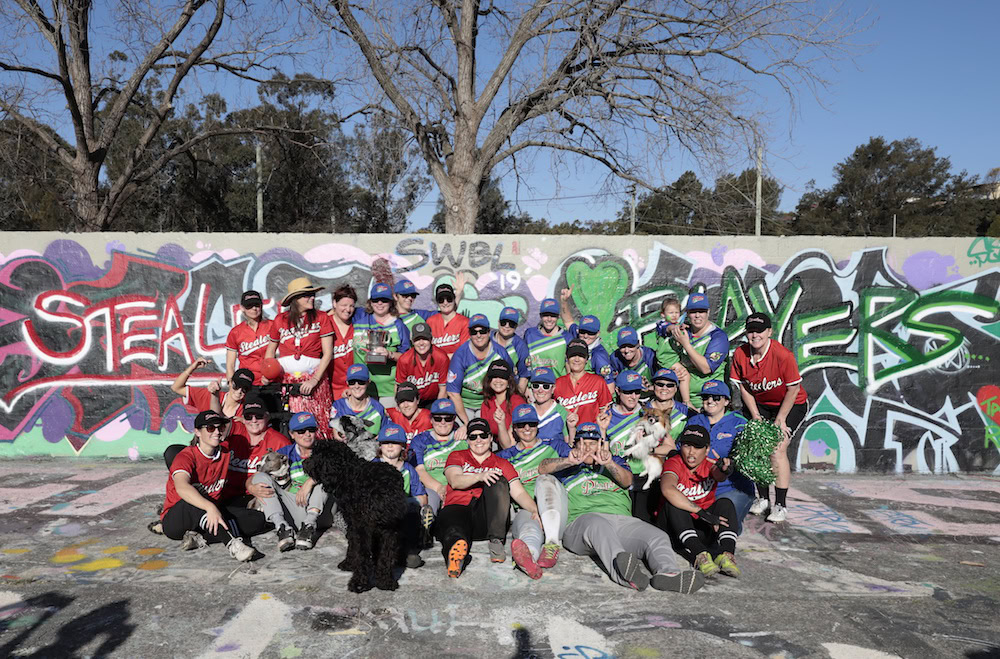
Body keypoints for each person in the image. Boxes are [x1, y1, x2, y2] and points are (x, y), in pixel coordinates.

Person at [535, 422, 704, 593]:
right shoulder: (568, 467)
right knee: (597, 524)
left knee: (657, 536)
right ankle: (623, 573)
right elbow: (542, 468)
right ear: (575, 443)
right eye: (583, 442)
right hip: (581, 525)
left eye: (592, 442)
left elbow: (628, 481)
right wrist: (568, 460)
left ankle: (668, 575)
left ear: (601, 443)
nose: (587, 447)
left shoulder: (615, 461)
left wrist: (608, 464)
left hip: (621, 522)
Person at [730, 312, 810, 523]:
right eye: (751, 331)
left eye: (760, 331)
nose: (755, 335)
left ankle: (781, 504)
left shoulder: (783, 355)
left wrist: (780, 420)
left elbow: (793, 389)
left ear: (769, 332)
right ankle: (763, 498)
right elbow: (743, 388)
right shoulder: (740, 354)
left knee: (777, 448)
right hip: (761, 405)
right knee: (756, 446)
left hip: (790, 404)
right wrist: (755, 415)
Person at [437, 418, 539, 577]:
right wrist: (480, 476)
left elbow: (518, 492)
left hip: (485, 519)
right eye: (473, 436)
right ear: (468, 440)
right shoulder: (457, 456)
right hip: (457, 508)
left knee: (498, 479)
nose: (478, 440)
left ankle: (496, 541)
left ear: (491, 438)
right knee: (453, 530)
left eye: (483, 435)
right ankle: (456, 556)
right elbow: (455, 481)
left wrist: (534, 510)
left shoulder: (501, 463)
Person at [160, 410, 266, 562]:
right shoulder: (186, 456)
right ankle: (233, 544)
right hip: (178, 518)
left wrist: (245, 421)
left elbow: (247, 433)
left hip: (211, 511)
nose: (216, 432)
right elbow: (182, 487)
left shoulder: (225, 452)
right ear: (197, 432)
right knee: (196, 495)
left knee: (257, 520)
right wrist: (210, 507)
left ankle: (199, 537)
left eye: (220, 427)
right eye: (210, 428)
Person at [497, 405, 573, 579]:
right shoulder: (505, 456)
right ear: (514, 428)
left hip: (555, 508)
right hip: (527, 509)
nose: (527, 429)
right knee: (528, 529)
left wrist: (573, 430)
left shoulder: (554, 445)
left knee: (544, 479)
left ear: (537, 425)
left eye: (531, 423)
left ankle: (552, 543)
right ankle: (529, 558)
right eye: (521, 424)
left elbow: (577, 458)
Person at [659, 425, 741, 578]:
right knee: (675, 503)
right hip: (674, 529)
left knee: (725, 503)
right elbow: (667, 489)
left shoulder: (709, 464)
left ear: (707, 449)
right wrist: (702, 513)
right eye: (687, 445)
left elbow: (718, 474)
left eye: (697, 447)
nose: (691, 452)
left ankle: (726, 554)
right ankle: (700, 555)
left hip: (699, 528)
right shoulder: (674, 462)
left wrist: (724, 470)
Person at [264, 277, 335, 437]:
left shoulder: (321, 317)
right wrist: (267, 374)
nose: (312, 298)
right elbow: (270, 352)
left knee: (315, 425)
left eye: (312, 295)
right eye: (306, 295)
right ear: (295, 299)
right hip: (286, 383)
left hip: (313, 381)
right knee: (288, 425)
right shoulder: (280, 320)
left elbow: (328, 353)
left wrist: (315, 380)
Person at [252, 411, 329, 552]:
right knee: (260, 478)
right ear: (292, 434)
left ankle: (309, 527)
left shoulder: (326, 450)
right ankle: (282, 528)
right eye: (301, 431)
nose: (307, 434)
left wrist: (310, 482)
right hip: (296, 508)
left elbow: (339, 472)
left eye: (311, 430)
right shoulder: (285, 453)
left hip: (321, 512)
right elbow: (256, 477)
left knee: (325, 480)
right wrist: (251, 488)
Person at [686, 380, 756, 535]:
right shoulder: (694, 421)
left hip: (731, 488)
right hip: (698, 487)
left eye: (716, 397)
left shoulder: (740, 423)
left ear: (727, 401)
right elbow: (681, 450)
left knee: (724, 529)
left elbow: (751, 459)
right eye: (706, 397)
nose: (710, 401)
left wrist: (730, 462)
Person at [373, 422, 428, 568]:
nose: (390, 446)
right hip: (379, 517)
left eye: (395, 442)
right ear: (380, 445)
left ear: (403, 446)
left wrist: (403, 502)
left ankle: (408, 550)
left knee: (413, 514)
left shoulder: (409, 470)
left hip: (402, 515)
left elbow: (422, 497)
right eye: (386, 442)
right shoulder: (372, 468)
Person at [445, 314, 513, 425]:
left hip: (489, 403)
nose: (478, 335)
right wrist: (467, 423)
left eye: (482, 331)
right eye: (474, 332)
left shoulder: (500, 352)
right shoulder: (461, 354)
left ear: (489, 331)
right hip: (464, 405)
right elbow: (453, 392)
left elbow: (510, 380)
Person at [352, 282, 411, 408]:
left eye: (384, 300)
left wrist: (389, 354)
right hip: (362, 389)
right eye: (376, 300)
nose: (379, 303)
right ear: (370, 302)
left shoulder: (399, 325)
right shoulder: (358, 323)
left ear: (390, 302)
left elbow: (408, 358)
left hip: (389, 390)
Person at [222, 397, 292, 503]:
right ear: (243, 419)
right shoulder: (235, 433)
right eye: (248, 417)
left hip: (260, 498)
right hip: (226, 495)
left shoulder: (279, 442)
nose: (254, 420)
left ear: (267, 417)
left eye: (259, 416)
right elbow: (215, 426)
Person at [667, 293, 730, 409]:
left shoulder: (718, 337)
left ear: (708, 312)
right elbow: (662, 329)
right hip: (683, 400)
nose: (697, 316)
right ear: (687, 313)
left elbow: (706, 368)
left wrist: (686, 344)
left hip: (710, 401)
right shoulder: (684, 331)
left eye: (701, 311)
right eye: (693, 311)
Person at [410, 399, 469, 516]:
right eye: (438, 418)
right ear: (431, 419)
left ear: (454, 419)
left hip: (458, 488)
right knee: (429, 504)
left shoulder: (463, 439)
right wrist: (440, 488)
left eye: (448, 418)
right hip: (431, 488)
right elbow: (419, 470)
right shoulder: (420, 440)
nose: (443, 422)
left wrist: (467, 426)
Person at [554, 338, 613, 423]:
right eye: (573, 355)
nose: (577, 359)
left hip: (591, 434)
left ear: (586, 359)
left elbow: (605, 411)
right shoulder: (557, 383)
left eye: (581, 356)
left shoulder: (598, 382)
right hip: (565, 434)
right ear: (567, 358)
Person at [172, 359, 251, 419]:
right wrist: (193, 367)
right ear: (230, 383)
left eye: (245, 389)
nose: (239, 391)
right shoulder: (208, 396)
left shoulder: (247, 412)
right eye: (236, 386)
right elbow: (176, 387)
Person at [395, 321, 449, 406]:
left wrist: (438, 410)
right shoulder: (404, 359)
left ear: (431, 340)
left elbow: (443, 388)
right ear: (412, 342)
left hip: (434, 399)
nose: (421, 343)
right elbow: (399, 386)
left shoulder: (441, 357)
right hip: (411, 400)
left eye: (425, 339)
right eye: (417, 339)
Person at [225, 290, 273, 385]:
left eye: (257, 305)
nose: (254, 308)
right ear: (242, 308)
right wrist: (231, 384)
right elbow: (230, 364)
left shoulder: (272, 326)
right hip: (248, 383)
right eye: (249, 306)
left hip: (272, 380)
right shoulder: (236, 332)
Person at [331, 363, 386, 436]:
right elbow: (335, 434)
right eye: (352, 382)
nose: (356, 386)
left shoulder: (378, 408)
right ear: (347, 383)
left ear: (368, 382)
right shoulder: (338, 406)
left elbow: (383, 434)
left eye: (361, 382)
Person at [559, 312, 614, 385]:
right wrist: (564, 301)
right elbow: (568, 321)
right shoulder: (578, 337)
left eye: (590, 333)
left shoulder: (599, 355)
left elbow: (610, 387)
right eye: (583, 331)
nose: (585, 336)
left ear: (598, 333)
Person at [524, 295, 573, 377]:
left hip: (557, 386)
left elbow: (569, 367)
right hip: (535, 387)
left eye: (553, 315)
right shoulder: (530, 334)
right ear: (540, 316)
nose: (549, 319)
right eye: (546, 315)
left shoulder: (567, 337)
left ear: (558, 316)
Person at [480, 359, 527, 444]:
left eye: (502, 377)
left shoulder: (517, 402)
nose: (498, 380)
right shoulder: (487, 403)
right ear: (489, 381)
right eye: (494, 377)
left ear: (509, 382)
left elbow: (510, 445)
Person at [603, 370, 645, 459]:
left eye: (637, 391)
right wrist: (602, 430)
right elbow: (603, 453)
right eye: (628, 392)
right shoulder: (607, 416)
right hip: (618, 469)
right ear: (618, 391)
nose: (633, 397)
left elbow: (667, 447)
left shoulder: (647, 413)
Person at [527, 367, 575, 444]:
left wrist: (572, 428)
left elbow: (569, 445)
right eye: (536, 385)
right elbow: (510, 444)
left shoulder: (562, 412)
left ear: (553, 389)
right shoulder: (525, 410)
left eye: (546, 386)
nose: (540, 390)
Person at [327, 285, 358, 399]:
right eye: (344, 305)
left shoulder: (358, 324)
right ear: (334, 303)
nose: (348, 309)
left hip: (355, 388)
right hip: (331, 388)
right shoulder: (325, 324)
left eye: (351, 306)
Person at [492, 306, 531, 394]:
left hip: (510, 391)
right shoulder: (487, 339)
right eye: (503, 322)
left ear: (516, 326)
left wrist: (517, 398)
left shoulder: (520, 346)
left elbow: (523, 376)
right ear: (498, 323)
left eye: (511, 324)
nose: (507, 326)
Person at [426, 281, 469, 355]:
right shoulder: (431, 321)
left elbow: (463, 353)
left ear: (454, 299)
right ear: (437, 302)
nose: (445, 303)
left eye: (449, 299)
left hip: (456, 365)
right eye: (441, 300)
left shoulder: (464, 322)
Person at [651, 297, 684, 370]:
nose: (674, 315)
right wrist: (675, 328)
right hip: (666, 359)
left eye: (677, 312)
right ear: (663, 314)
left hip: (675, 358)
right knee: (685, 375)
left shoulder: (678, 324)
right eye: (671, 313)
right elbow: (668, 328)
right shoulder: (662, 325)